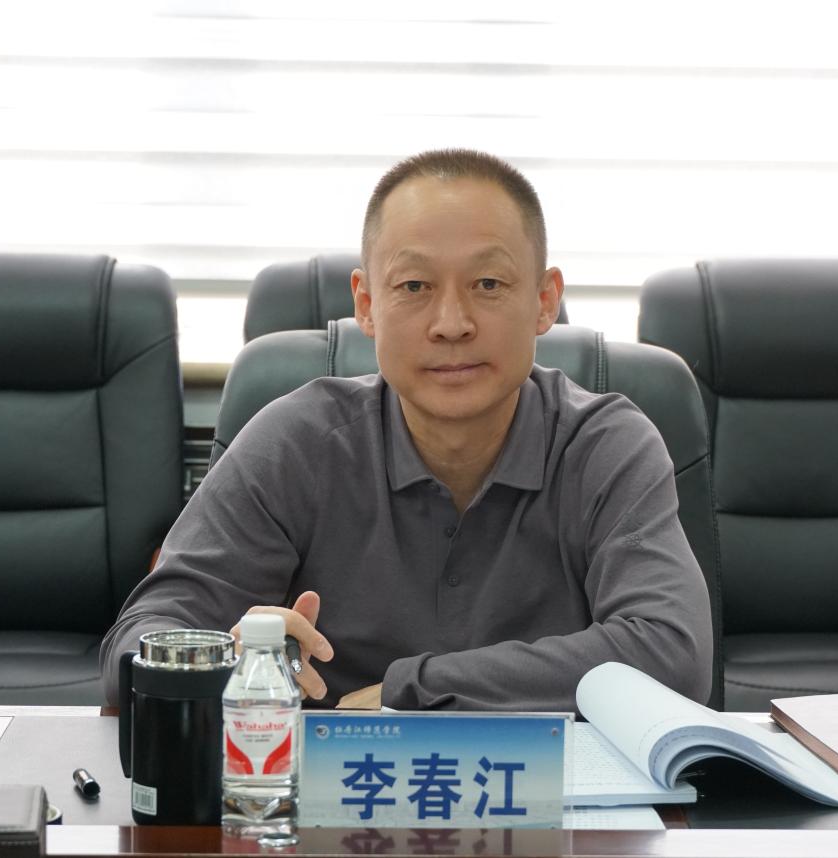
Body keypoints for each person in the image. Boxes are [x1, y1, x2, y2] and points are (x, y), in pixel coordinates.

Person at [101, 149, 713, 711]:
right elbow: (138, 642)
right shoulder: (296, 443)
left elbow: (673, 655)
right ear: (367, 304)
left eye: (489, 284)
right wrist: (218, 661)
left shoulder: (605, 447)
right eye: (414, 286)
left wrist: (413, 692)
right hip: (326, 792)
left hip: (558, 794)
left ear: (545, 300)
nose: (451, 323)